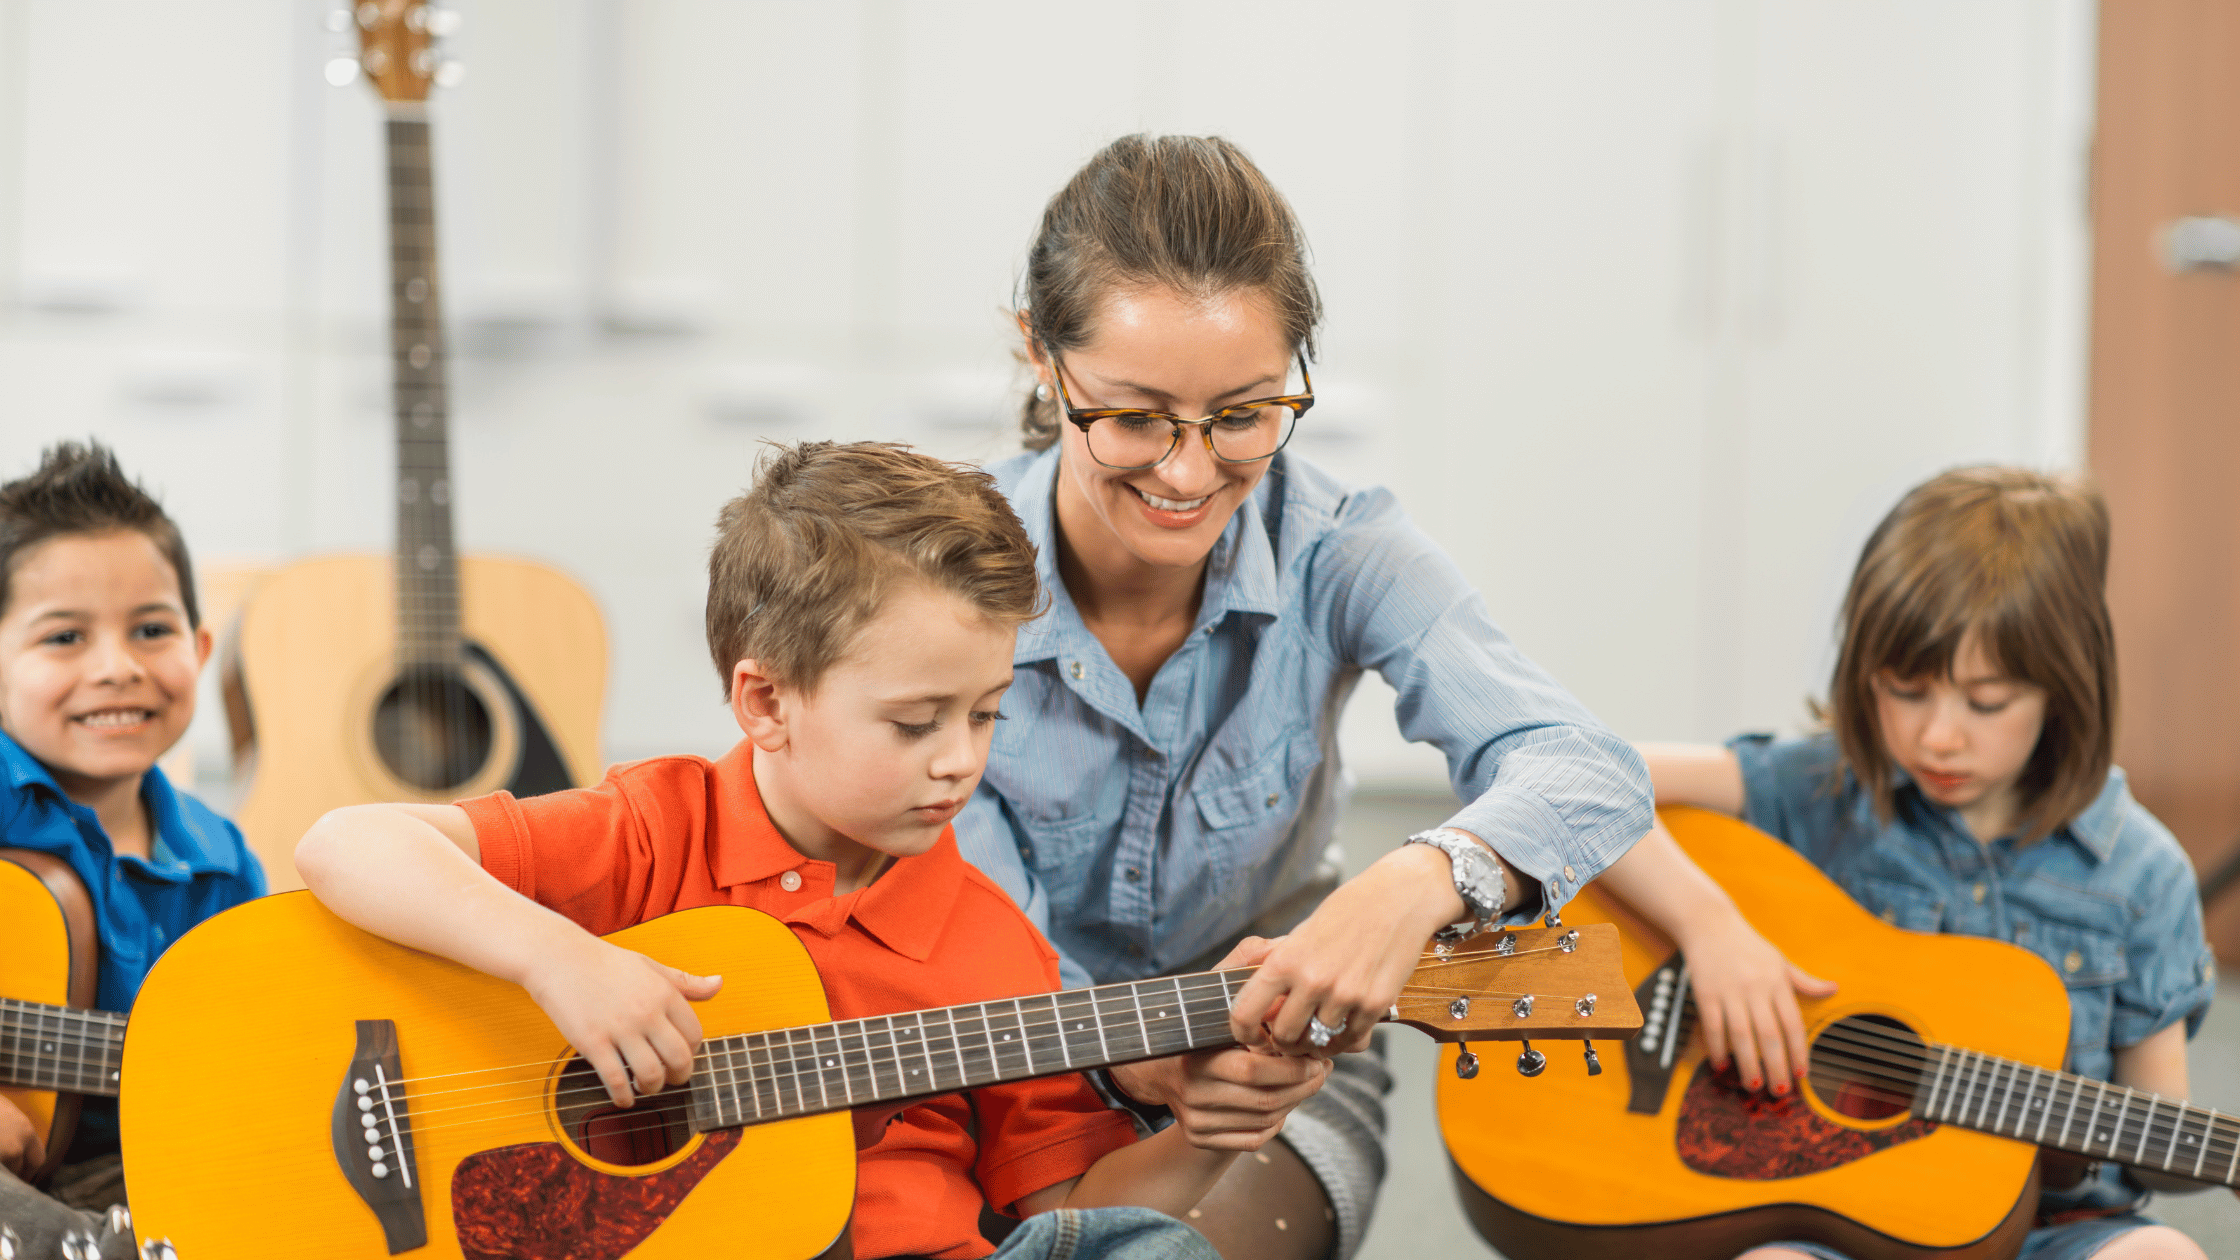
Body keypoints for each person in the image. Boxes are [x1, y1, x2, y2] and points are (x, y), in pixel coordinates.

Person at [295, 441, 1315, 1260]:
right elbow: (347, 844)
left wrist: (1207, 1134)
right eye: (914, 723)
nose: (960, 761)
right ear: (767, 703)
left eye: (986, 714)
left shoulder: (991, 945)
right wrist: (557, 959)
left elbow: (1072, 1215)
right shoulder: (656, 827)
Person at [952, 134, 1656, 1260]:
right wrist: (1128, 1056)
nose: (1188, 474)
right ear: (1041, 352)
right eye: (1134, 417)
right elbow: (960, 933)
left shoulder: (1339, 547)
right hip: (993, 1066)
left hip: (1271, 1071)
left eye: (1242, 415)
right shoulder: (935, 575)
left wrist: (1420, 878)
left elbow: (1585, 767)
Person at [1594, 467, 2222, 1260]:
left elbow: (2156, 1139)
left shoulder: (2142, 876)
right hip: (1842, 1225)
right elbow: (1586, 781)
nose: (1938, 737)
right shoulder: (1820, 792)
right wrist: (1708, 927)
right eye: (1906, 690)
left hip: (2054, 1231)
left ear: (2065, 689)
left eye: (1986, 702)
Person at [0, 441, 267, 1260]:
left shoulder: (222, 862)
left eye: (152, 630)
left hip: (140, 1172)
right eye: (64, 638)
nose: (117, 668)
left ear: (201, 651)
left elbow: (245, 1054)